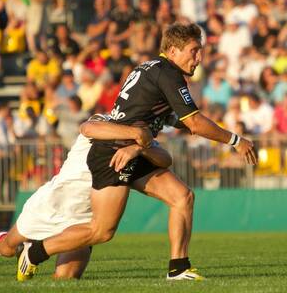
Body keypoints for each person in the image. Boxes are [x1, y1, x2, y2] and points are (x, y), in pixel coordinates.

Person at [16, 23, 257, 281]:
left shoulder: (153, 68)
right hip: (113, 151)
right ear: (173, 50)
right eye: (194, 50)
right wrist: (234, 140)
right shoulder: (168, 73)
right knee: (102, 231)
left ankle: (179, 268)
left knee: (182, 197)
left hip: (133, 148)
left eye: (200, 51)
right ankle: (35, 252)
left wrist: (170, 131)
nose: (198, 58)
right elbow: (194, 123)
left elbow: (170, 117)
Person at [0, 115, 171, 279]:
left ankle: (34, 250)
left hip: (85, 219)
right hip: (54, 203)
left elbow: (165, 159)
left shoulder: (141, 140)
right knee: (7, 248)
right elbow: (87, 128)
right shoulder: (104, 121)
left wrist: (139, 147)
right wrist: (136, 135)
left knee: (66, 277)